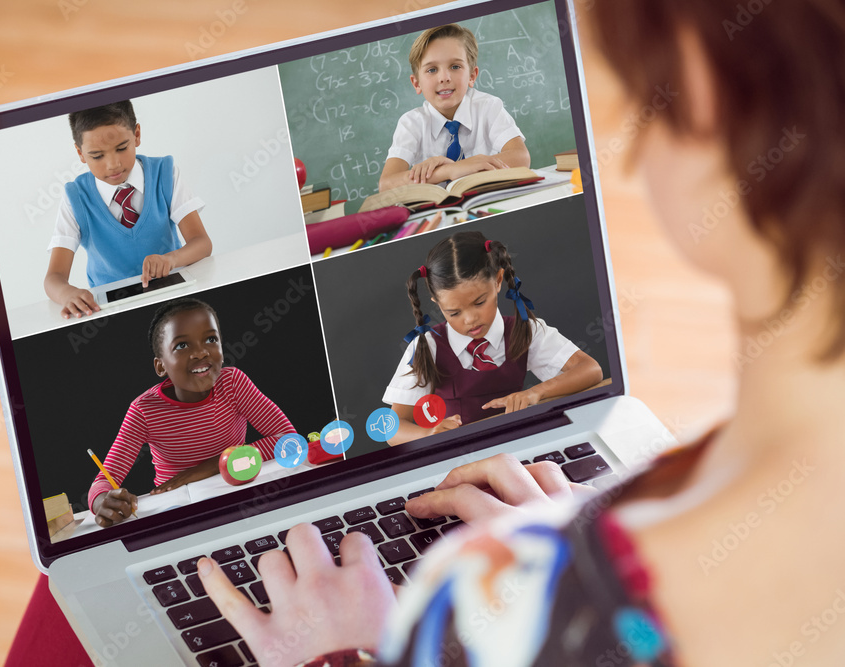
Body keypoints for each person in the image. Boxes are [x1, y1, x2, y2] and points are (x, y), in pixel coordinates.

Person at [195, 1, 845, 665]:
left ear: (704, 99)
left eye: (642, 87)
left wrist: (352, 650)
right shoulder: (428, 351)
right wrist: (573, 529)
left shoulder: (468, 607)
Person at [383, 230, 603, 445]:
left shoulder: (525, 330)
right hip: (457, 458)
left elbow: (591, 370)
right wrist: (428, 434)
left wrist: (536, 392)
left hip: (517, 446)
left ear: (498, 280)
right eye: (454, 313)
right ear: (438, 304)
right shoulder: (427, 346)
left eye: (479, 302)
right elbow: (393, 429)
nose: (470, 319)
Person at [89, 298, 295, 527]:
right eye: (182, 346)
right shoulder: (144, 410)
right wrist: (102, 503)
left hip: (238, 492)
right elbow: (104, 480)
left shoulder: (233, 384)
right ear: (161, 366)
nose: (200, 353)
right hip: (179, 507)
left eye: (210, 339)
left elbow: (288, 440)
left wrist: (205, 469)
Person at [43, 100, 213, 319]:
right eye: (97, 156)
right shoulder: (75, 197)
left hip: (174, 297)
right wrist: (67, 294)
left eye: (122, 148)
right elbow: (53, 278)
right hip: (113, 312)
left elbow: (202, 243)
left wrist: (171, 259)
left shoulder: (165, 173)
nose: (113, 164)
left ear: (137, 135)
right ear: (80, 153)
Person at [378, 24, 531, 193]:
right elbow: (387, 184)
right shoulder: (411, 124)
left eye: (455, 67)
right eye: (432, 69)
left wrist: (456, 168)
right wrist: (449, 171)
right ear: (417, 83)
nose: (444, 77)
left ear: (472, 76)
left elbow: (521, 157)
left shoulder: (488, 107)